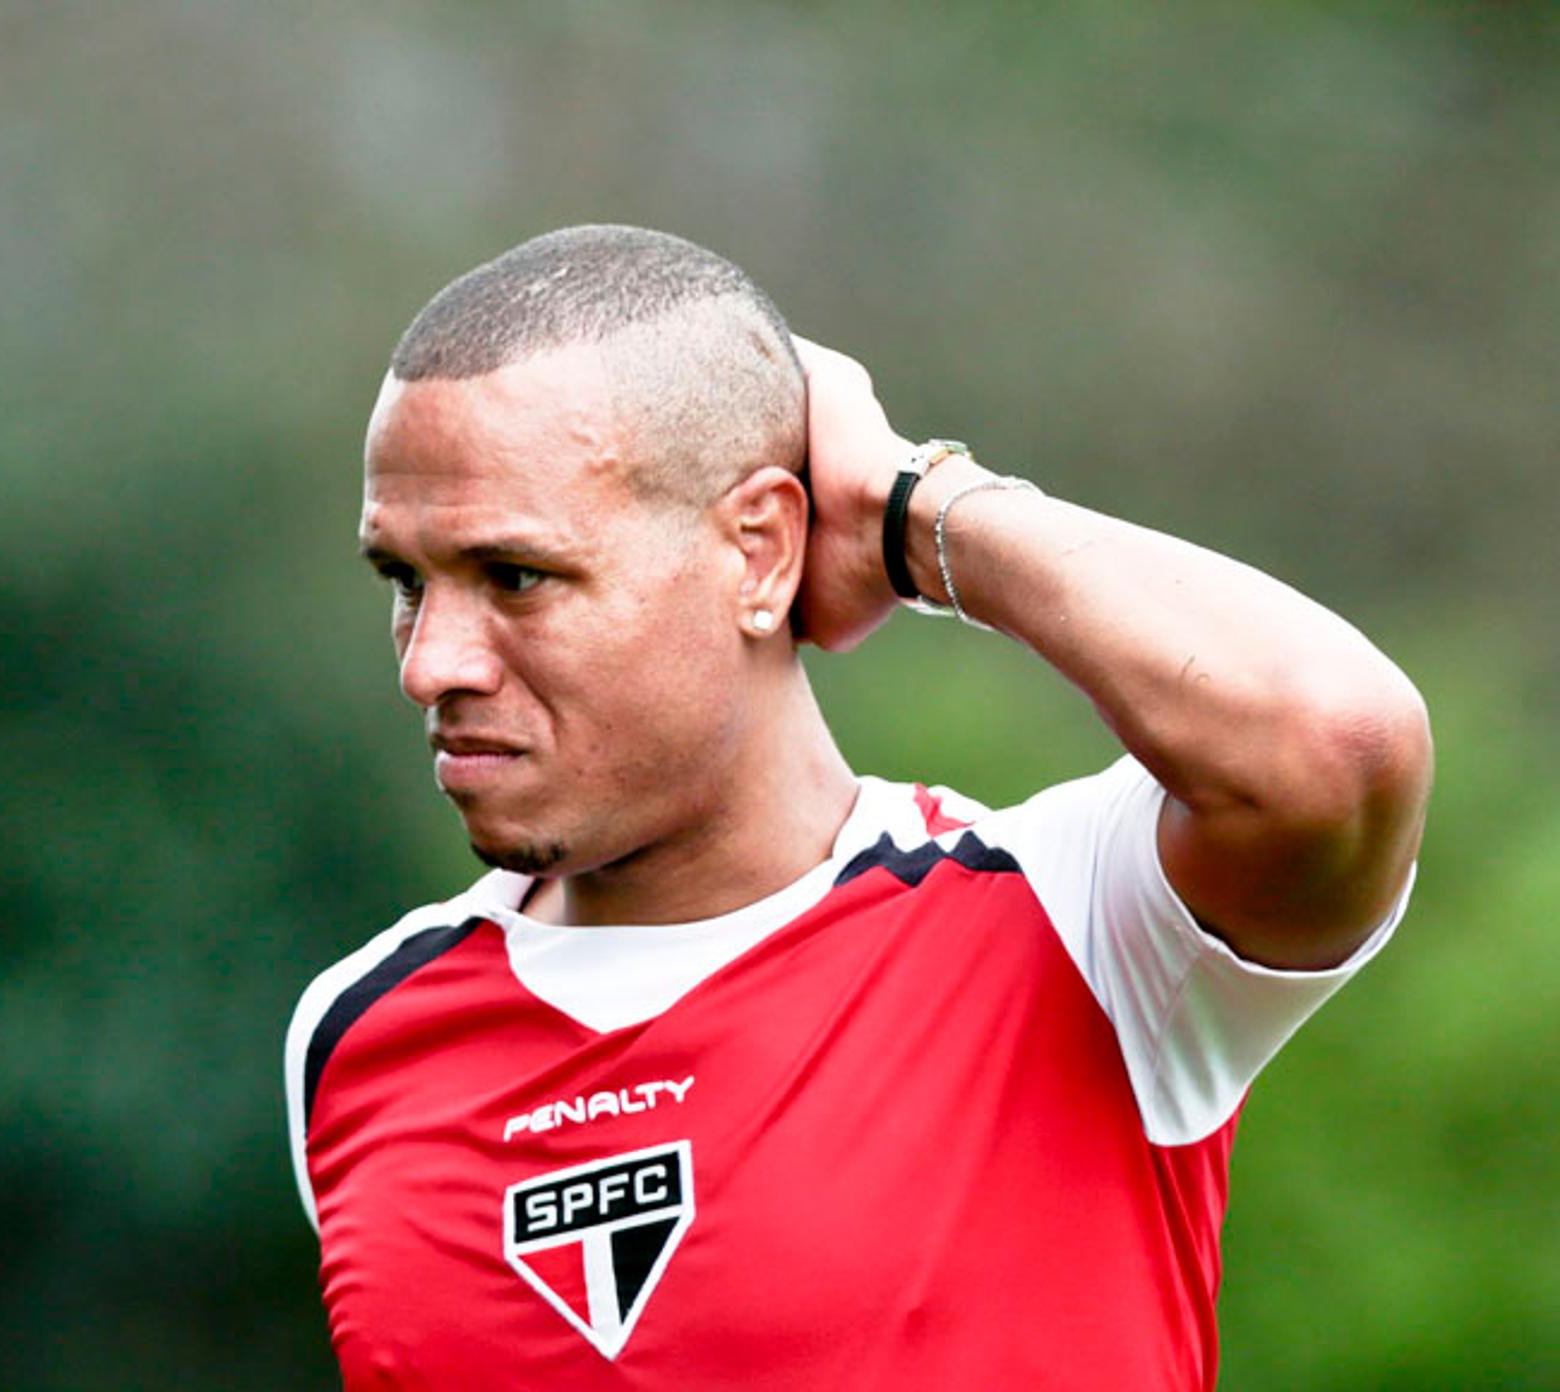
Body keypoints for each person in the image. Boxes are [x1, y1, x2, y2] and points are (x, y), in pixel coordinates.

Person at [283, 224, 1431, 1389]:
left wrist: (908, 506)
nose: (431, 664)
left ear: (762, 550)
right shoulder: (359, 1035)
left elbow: (1338, 746)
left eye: (516, 577)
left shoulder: (1071, 925)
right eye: (405, 582)